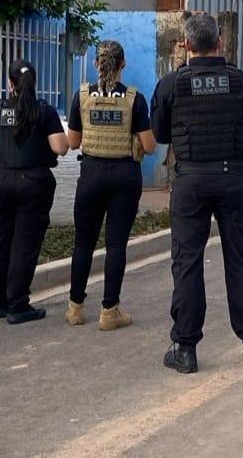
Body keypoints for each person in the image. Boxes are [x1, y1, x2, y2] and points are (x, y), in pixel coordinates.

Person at [151, 13, 243, 374]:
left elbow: (159, 134)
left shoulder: (172, 83)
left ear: (187, 45)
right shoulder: (242, 81)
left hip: (190, 182)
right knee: (239, 257)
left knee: (187, 262)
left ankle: (185, 349)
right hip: (232, 178)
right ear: (220, 43)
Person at [65, 40, 156, 331]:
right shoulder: (134, 99)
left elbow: (73, 143)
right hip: (124, 176)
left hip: (90, 173)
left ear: (96, 64)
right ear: (123, 65)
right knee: (116, 244)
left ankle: (75, 308)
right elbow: (149, 146)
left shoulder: (81, 96)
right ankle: (109, 311)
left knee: (83, 242)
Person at [0, 59, 69, 324]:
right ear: (33, 83)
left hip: (2, 180)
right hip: (34, 182)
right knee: (24, 244)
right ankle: (18, 304)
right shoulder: (44, 111)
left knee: (4, 241)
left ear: (10, 83)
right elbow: (61, 148)